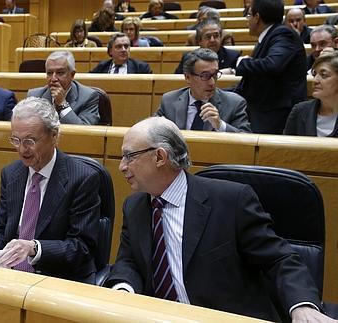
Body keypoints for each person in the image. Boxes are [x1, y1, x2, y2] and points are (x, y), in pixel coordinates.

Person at [104, 116, 333, 322]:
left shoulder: (231, 201)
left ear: (160, 157)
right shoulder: (135, 206)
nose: (122, 166)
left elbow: (279, 259)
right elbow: (129, 261)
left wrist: (303, 306)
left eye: (129, 156)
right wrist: (124, 289)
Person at [0, 97, 101, 283]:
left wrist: (34, 248)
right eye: (16, 140)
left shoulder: (82, 178)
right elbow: (1, 227)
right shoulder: (11, 174)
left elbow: (82, 247)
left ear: (54, 135)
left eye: (30, 141)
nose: (22, 149)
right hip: (10, 276)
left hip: (57, 280)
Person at [235, 0, 307, 134]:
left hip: (274, 112)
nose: (247, 20)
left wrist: (241, 63)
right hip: (264, 106)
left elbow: (272, 65)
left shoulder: (283, 34)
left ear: (257, 18)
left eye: (249, 15)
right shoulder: (271, 35)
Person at [157, 49, 251, 132]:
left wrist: (220, 125)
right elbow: (151, 131)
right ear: (188, 77)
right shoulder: (169, 100)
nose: (212, 82)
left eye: (215, 75)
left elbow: (247, 140)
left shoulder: (234, 103)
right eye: (205, 76)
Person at [27, 51, 100, 125]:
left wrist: (62, 104)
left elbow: (84, 133)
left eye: (60, 73)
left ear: (72, 75)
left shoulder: (88, 97)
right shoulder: (34, 96)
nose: (53, 79)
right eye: (49, 73)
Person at [284, 50, 338, 137]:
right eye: (314, 74)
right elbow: (287, 149)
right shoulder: (300, 111)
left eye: (323, 75)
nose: (315, 80)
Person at [175, 19, 240, 74]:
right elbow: (178, 82)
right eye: (208, 37)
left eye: (216, 36)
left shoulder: (233, 57)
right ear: (199, 41)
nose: (212, 40)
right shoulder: (188, 58)